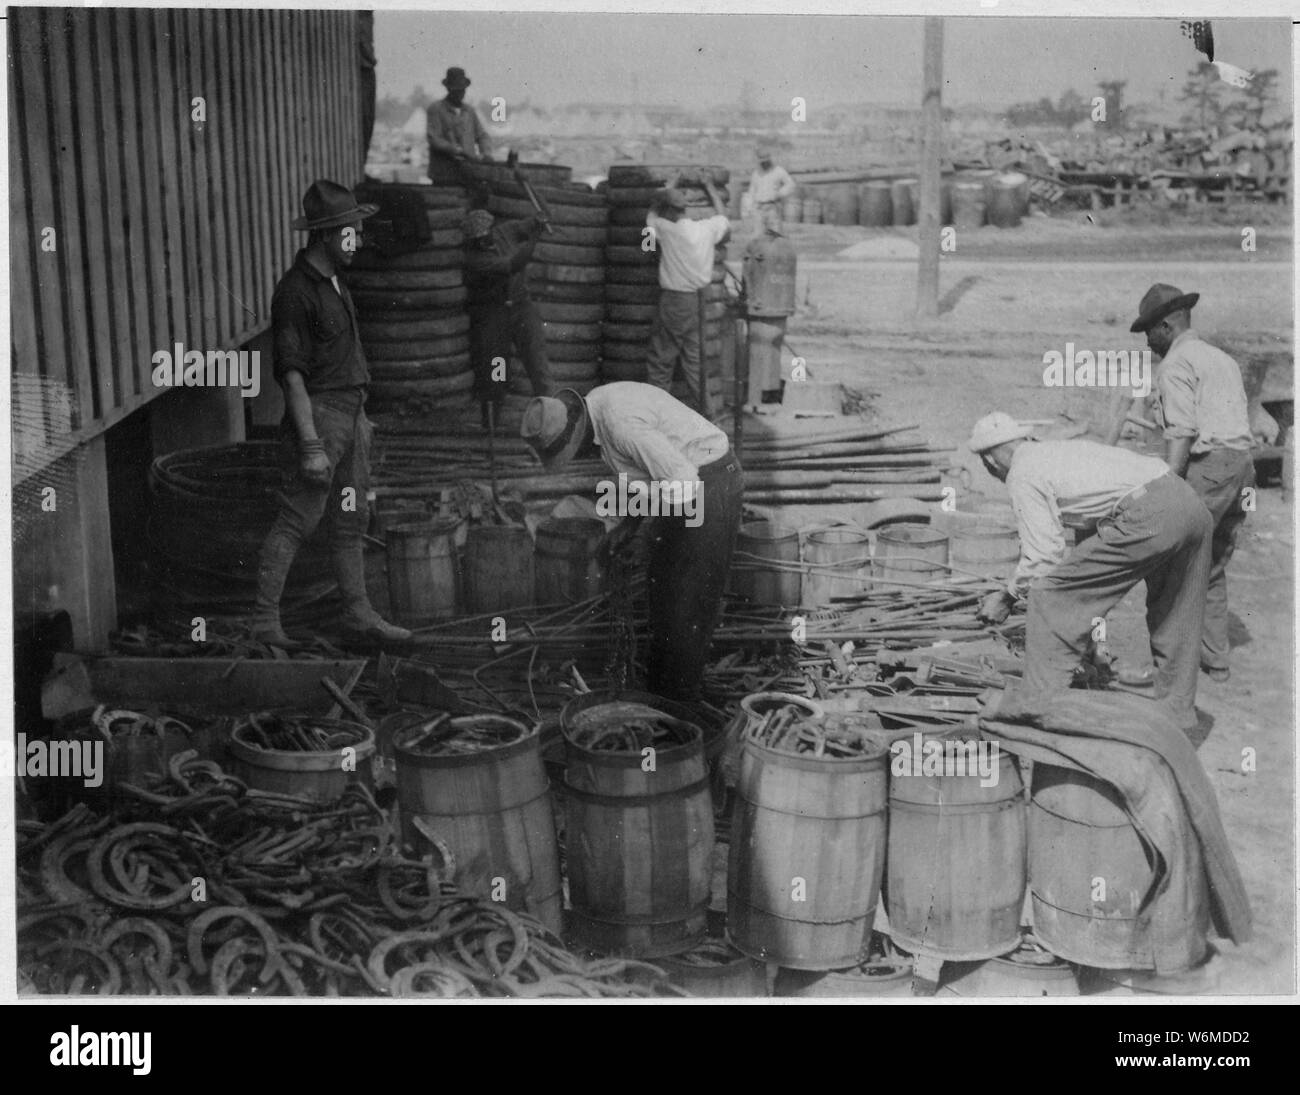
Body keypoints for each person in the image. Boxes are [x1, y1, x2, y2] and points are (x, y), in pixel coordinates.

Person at [970, 412, 1212, 734]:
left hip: (1152, 514)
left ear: (990, 460)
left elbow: (1042, 560)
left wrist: (1007, 596)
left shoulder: (1022, 473)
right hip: (1189, 504)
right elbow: (1089, 540)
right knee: (1175, 615)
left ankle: (1036, 705)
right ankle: (1177, 721)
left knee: (1050, 595)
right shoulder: (1057, 452)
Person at [253, 180, 411, 647]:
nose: (359, 240)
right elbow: (292, 376)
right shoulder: (294, 293)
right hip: (321, 419)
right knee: (297, 519)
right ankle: (263, 623)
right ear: (326, 235)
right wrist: (311, 446)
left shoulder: (337, 280)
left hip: (352, 417)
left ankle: (358, 615)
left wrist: (360, 418)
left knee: (349, 519)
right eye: (351, 233)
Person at [519, 382, 744, 701]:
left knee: (687, 605)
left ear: (577, 431)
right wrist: (628, 525)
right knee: (665, 599)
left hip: (709, 485)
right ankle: (667, 695)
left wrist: (644, 533)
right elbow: (649, 477)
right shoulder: (598, 408)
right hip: (685, 485)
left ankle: (682, 713)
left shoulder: (619, 424)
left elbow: (683, 480)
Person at [1130, 283, 1255, 682]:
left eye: (1148, 332)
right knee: (1212, 563)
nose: (1148, 343)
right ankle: (1215, 660)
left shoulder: (1175, 365)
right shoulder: (1221, 359)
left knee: (1168, 563)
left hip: (1210, 467)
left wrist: (1167, 487)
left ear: (1165, 326)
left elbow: (1182, 431)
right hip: (1241, 470)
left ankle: (1168, 669)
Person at [645, 184, 730, 416]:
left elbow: (648, 232)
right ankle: (709, 415)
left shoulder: (665, 228)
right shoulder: (705, 229)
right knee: (694, 362)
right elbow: (723, 216)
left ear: (669, 211)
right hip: (698, 301)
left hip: (674, 300)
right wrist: (710, 187)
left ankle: (654, 415)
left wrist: (665, 192)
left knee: (661, 359)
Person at [463, 209, 553, 426]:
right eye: (477, 240)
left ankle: (551, 419)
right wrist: (535, 237)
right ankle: (492, 423)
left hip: (522, 307)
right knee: (497, 366)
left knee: (537, 360)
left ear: (492, 230)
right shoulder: (475, 259)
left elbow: (531, 221)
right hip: (495, 313)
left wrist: (538, 219)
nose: (483, 242)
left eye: (485, 237)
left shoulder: (507, 231)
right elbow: (516, 264)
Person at [426, 66, 494, 176]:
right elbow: (434, 139)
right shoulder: (436, 109)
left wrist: (486, 153)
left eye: (462, 89)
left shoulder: (469, 111)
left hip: (468, 172)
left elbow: (482, 135)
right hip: (444, 174)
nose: (460, 93)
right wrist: (456, 150)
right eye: (456, 90)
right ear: (448, 89)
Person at [747, 145, 796, 232]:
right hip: (759, 209)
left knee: (775, 235)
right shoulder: (756, 173)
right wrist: (750, 208)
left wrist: (779, 194)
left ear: (769, 159)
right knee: (759, 237)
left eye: (766, 161)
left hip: (773, 208)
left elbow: (790, 184)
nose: (764, 163)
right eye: (762, 161)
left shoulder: (778, 171)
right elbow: (752, 191)